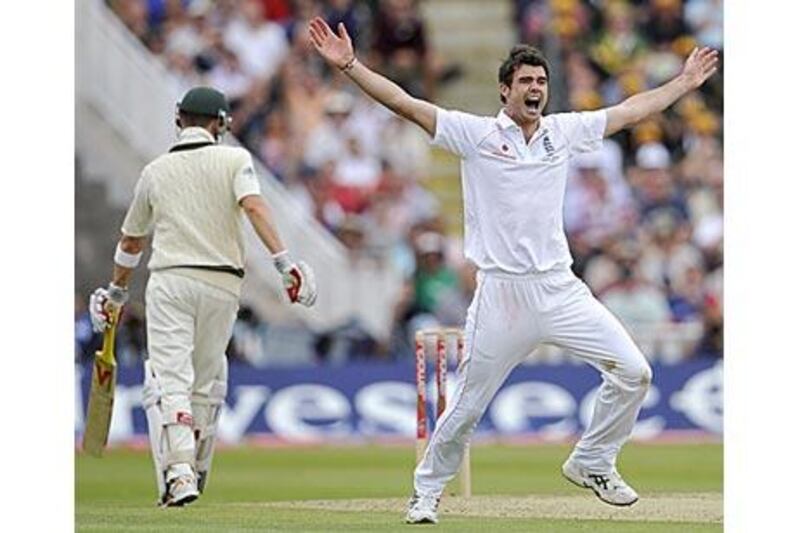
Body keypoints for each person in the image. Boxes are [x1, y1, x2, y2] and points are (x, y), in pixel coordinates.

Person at [308, 17, 718, 524]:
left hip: (559, 287)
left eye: (541, 81)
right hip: (501, 293)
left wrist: (683, 83)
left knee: (635, 372)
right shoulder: (474, 134)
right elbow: (405, 104)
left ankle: (593, 459)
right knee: (467, 407)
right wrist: (350, 66)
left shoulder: (562, 133)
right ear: (505, 91)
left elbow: (630, 111)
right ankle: (426, 493)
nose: (536, 89)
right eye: (525, 81)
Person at [88, 86, 317, 507]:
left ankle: (179, 473)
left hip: (171, 282)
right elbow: (255, 208)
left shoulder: (154, 171)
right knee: (204, 381)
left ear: (179, 120)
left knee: (171, 379)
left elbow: (130, 243)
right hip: (223, 285)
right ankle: (188, 466)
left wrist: (117, 291)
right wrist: (284, 263)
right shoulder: (235, 159)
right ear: (222, 124)